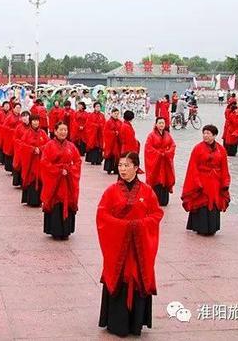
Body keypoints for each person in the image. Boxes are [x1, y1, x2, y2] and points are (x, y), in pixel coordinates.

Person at [97, 151, 163, 337]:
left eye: (126, 165)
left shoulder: (147, 191)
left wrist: (140, 225)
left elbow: (156, 214)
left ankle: (136, 323)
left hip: (139, 247)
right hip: (119, 247)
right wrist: (124, 227)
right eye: (120, 165)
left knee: (138, 276)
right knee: (121, 276)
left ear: (136, 167)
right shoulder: (111, 191)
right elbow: (102, 215)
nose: (122, 169)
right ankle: (117, 323)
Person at [181, 125, 231, 236]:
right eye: (204, 133)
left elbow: (224, 167)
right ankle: (201, 227)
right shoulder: (197, 148)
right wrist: (197, 182)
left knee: (214, 202)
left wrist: (225, 181)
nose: (205, 135)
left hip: (215, 181)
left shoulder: (221, 149)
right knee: (202, 201)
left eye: (208, 133)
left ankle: (212, 228)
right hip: (202, 180)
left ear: (214, 135)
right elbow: (193, 166)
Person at [40, 121, 82, 239]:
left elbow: (78, 161)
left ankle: (66, 231)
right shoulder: (49, 145)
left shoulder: (71, 146)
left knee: (67, 202)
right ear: (55, 131)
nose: (63, 132)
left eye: (65, 130)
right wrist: (58, 170)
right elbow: (44, 162)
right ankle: (55, 231)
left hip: (68, 181)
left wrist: (69, 169)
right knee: (56, 203)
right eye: (61, 130)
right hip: (55, 181)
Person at [18, 114, 49, 207]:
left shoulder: (43, 133)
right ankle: (31, 200)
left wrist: (40, 149)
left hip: (40, 161)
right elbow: (23, 146)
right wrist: (32, 149)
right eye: (34, 121)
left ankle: (39, 200)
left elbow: (48, 145)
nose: (36, 122)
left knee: (40, 180)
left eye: (37, 120)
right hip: (30, 162)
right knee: (31, 179)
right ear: (31, 122)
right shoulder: (27, 133)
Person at [144, 117, 176, 206]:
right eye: (160, 123)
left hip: (165, 161)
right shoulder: (151, 135)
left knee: (165, 179)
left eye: (163, 123)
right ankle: (155, 200)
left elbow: (172, 145)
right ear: (156, 124)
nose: (161, 125)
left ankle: (164, 200)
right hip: (156, 162)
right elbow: (148, 148)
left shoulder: (167, 134)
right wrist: (158, 153)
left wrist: (167, 152)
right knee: (156, 179)